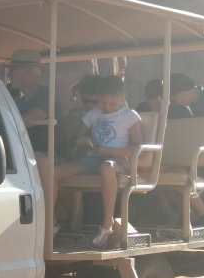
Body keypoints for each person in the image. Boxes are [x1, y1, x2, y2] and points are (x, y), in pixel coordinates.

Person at [53, 76, 142, 246]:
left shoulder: (130, 116)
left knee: (107, 167)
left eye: (111, 104)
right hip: (93, 158)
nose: (106, 108)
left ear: (122, 98)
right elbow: (77, 137)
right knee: (54, 172)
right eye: (103, 103)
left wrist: (110, 151)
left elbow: (137, 147)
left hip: (118, 160)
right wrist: (80, 140)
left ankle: (107, 222)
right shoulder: (94, 113)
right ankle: (51, 220)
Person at [9, 50, 49, 152]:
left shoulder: (47, 94)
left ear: (29, 72)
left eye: (12, 70)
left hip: (43, 154)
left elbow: (32, 117)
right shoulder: (18, 100)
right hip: (22, 153)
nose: (9, 75)